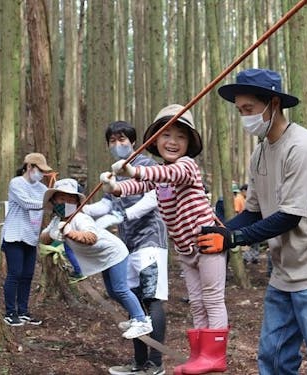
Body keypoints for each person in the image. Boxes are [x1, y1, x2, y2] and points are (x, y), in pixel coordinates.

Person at [197, 68, 307, 373]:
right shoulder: (259, 154)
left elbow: (290, 216)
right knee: (275, 358)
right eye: (240, 110)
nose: (244, 117)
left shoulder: (301, 147)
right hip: (284, 272)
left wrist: (233, 239)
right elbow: (254, 211)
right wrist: (221, 229)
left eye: (249, 109)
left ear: (273, 104)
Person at [100, 105, 229, 375]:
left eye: (181, 136)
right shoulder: (159, 173)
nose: (172, 142)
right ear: (155, 140)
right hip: (185, 248)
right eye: (166, 135)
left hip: (208, 242)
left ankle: (215, 355)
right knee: (196, 302)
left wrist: (134, 171)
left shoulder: (186, 166)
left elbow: (163, 175)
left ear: (189, 143)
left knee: (212, 299)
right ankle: (200, 356)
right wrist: (116, 188)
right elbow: (140, 186)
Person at [81, 121, 168, 375]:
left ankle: (155, 364)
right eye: (112, 141)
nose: (118, 145)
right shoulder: (114, 173)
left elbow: (153, 198)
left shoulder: (147, 166)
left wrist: (125, 215)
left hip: (150, 239)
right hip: (126, 245)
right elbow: (106, 205)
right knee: (136, 303)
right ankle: (139, 363)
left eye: (122, 139)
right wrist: (81, 208)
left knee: (152, 300)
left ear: (132, 141)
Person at [39, 178, 153, 341]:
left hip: (114, 253)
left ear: (76, 202)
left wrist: (70, 233)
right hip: (102, 258)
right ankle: (136, 317)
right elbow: (44, 238)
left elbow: (91, 237)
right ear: (54, 200)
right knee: (113, 292)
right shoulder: (57, 221)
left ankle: (141, 320)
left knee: (120, 288)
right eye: (61, 198)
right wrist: (51, 234)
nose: (66, 202)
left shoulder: (80, 219)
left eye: (70, 198)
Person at [1, 153, 53, 326]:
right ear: (29, 167)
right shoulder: (16, 183)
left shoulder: (42, 188)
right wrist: (46, 202)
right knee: (15, 273)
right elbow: (26, 203)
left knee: (28, 275)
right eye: (39, 170)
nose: (41, 174)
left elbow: (51, 204)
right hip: (14, 235)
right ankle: (10, 312)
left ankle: (23, 311)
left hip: (31, 236)